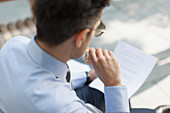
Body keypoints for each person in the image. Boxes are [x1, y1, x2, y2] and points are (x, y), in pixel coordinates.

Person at [0, 0, 130, 112]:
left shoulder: (14, 45)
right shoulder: (63, 106)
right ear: (80, 37)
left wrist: (87, 76)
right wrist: (113, 84)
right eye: (97, 28)